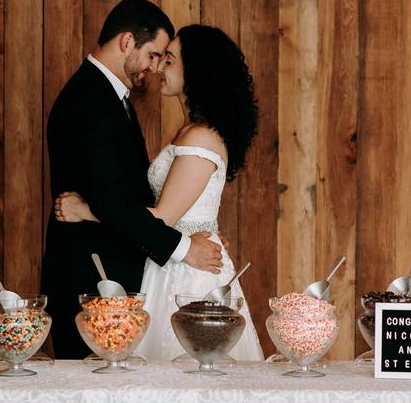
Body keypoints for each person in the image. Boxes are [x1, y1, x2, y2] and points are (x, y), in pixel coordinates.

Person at [56, 24, 263, 361]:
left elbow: (163, 216)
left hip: (187, 276)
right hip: (171, 259)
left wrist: (86, 211)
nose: (159, 69)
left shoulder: (200, 139)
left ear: (196, 70)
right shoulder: (189, 131)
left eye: (170, 60)